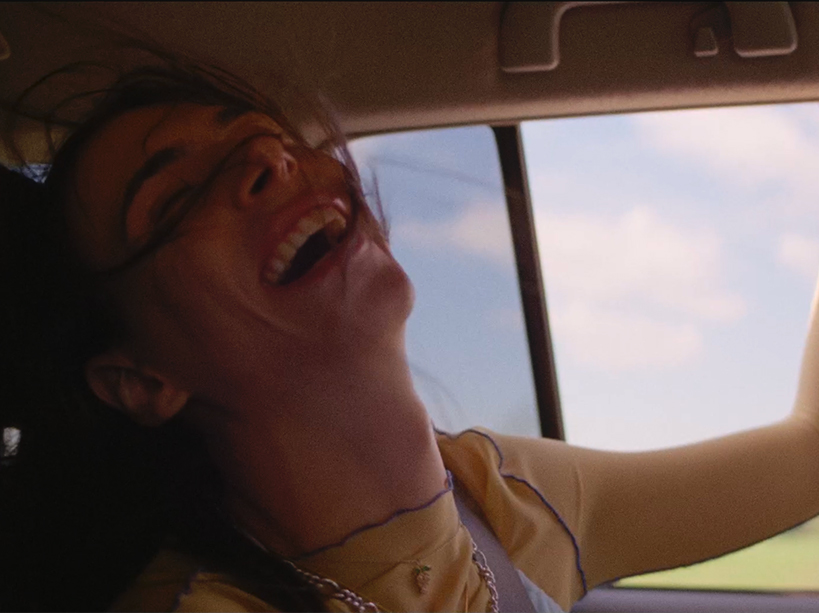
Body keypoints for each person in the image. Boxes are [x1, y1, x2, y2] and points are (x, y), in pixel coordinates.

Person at [4, 43, 819, 613]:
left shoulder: (498, 496)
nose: (269, 161)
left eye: (265, 138)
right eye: (175, 200)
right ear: (140, 380)